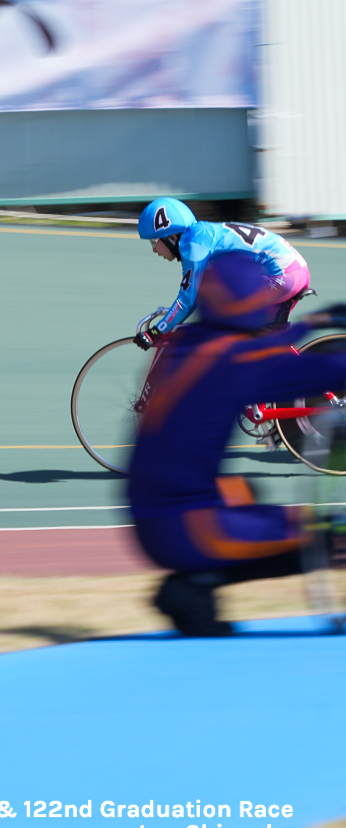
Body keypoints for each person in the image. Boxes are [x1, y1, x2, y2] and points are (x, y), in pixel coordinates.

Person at [129, 250, 346, 636]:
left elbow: (250, 349)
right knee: (331, 533)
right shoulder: (239, 362)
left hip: (147, 513)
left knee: (243, 490)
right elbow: (330, 369)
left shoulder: (186, 344)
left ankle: (197, 579)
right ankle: (194, 587)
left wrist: (315, 321)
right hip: (188, 527)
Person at [134, 198, 311, 349]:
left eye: (154, 242)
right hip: (292, 272)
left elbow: (187, 300)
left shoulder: (192, 246)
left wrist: (155, 332)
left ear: (170, 237)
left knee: (221, 322)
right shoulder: (201, 233)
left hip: (283, 276)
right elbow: (197, 294)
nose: (154, 250)